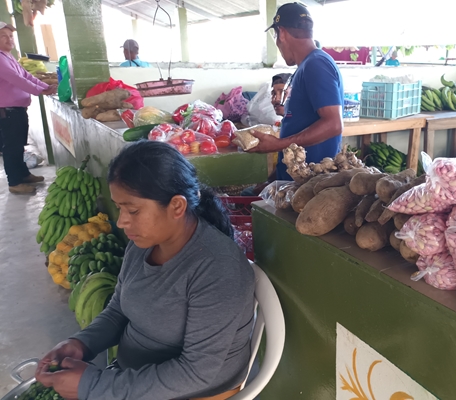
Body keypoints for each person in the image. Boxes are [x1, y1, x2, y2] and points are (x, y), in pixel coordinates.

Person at [35, 141, 255, 400]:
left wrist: (94, 386)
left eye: (133, 210)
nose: (121, 221)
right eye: (120, 208)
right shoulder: (143, 244)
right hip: (132, 379)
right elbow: (118, 310)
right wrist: (82, 343)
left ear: (176, 206)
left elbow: (196, 373)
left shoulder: (218, 269)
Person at [249, 2, 344, 183]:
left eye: (276, 37)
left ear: (282, 33)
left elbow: (334, 124)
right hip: (296, 179)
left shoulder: (316, 64)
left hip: (311, 182)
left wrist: (277, 144)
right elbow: (303, 120)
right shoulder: (306, 66)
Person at [0, 21, 55, 194]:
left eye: (10, 36)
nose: (9, 39)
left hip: (16, 109)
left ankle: (23, 174)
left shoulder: (7, 56)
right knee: (11, 147)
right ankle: (15, 182)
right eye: (4, 36)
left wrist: (44, 87)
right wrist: (40, 91)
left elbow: (26, 75)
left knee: (18, 145)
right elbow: (18, 80)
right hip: (7, 111)